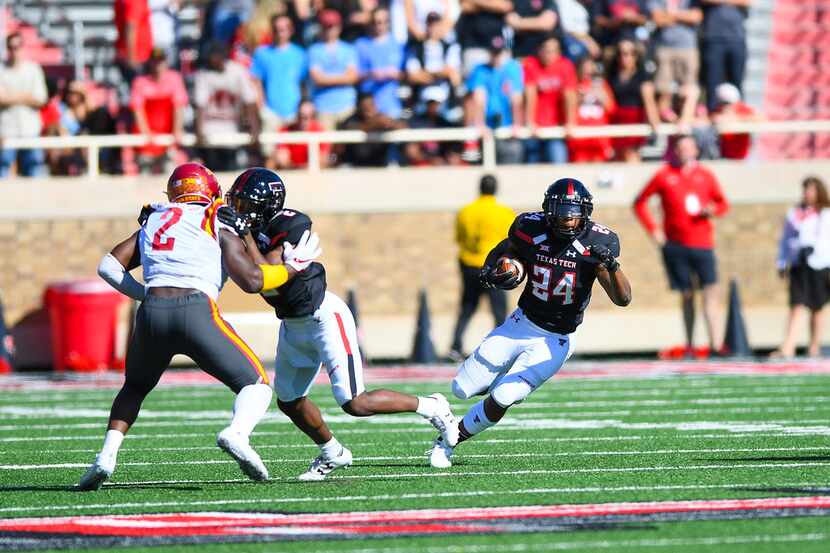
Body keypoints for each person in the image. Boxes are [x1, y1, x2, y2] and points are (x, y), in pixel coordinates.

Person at [77, 162, 323, 491]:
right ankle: (237, 432)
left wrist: (146, 293)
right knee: (258, 384)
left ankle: (105, 457)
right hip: (196, 311)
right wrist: (292, 269)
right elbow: (252, 281)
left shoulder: (156, 216)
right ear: (209, 191)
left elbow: (108, 266)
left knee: (134, 388)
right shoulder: (215, 216)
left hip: (150, 315)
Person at [221, 167, 459, 480]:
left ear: (264, 205)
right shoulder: (248, 229)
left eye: (244, 203)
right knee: (290, 401)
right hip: (292, 324)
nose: (238, 210)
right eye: (235, 202)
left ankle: (432, 406)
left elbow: (267, 276)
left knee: (355, 403)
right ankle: (332, 452)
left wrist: (246, 234)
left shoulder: (292, 223)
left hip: (324, 317)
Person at [429, 177, 632, 467]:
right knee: (461, 389)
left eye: (572, 216)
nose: (566, 222)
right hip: (521, 323)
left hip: (556, 338)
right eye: (560, 215)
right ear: (548, 212)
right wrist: (493, 268)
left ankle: (451, 439)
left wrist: (612, 265)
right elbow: (507, 247)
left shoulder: (599, 243)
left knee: (505, 395)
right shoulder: (529, 227)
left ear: (584, 214)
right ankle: (497, 380)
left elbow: (623, 299)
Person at [633, 135, 729, 357]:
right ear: (674, 151)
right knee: (686, 294)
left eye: (688, 147)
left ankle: (716, 344)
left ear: (696, 150)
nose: (684, 151)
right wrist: (654, 231)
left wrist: (713, 210)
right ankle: (690, 344)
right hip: (676, 245)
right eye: (680, 148)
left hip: (703, 242)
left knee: (710, 291)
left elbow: (723, 203)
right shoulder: (664, 175)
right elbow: (639, 203)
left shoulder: (706, 175)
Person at [449, 174, 515, 360]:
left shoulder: (465, 211)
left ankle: (455, 345)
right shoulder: (504, 212)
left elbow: (459, 239)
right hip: (494, 266)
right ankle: (502, 347)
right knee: (499, 310)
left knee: (467, 307)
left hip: (469, 263)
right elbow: (509, 242)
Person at [772, 176, 830, 358]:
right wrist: (782, 262)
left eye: (811, 189)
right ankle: (788, 346)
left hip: (819, 264)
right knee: (796, 305)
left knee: (817, 308)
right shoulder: (795, 213)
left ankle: (814, 347)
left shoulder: (825, 213)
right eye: (805, 189)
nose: (807, 193)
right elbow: (785, 240)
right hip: (799, 263)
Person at [194, 41, 259, 172]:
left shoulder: (237, 71)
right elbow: (199, 105)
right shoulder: (204, 75)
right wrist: (199, 131)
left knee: (232, 170)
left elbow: (250, 100)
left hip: (232, 129)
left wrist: (254, 127)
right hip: (210, 130)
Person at [465, 36, 525, 164]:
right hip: (486, 128)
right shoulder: (480, 70)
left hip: (507, 128)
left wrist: (516, 124)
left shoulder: (513, 68)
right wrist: (480, 124)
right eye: (494, 52)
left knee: (511, 161)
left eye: (499, 52)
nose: (496, 56)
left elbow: (516, 99)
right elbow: (477, 99)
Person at [130, 48, 189, 174]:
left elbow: (179, 106)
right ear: (150, 63)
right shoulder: (140, 82)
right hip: (146, 142)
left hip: (167, 140)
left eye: (161, 61)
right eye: (155, 61)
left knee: (170, 174)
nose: (158, 65)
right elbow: (137, 109)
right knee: (143, 177)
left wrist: (177, 130)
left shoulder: (175, 79)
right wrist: (146, 133)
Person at [523, 35, 577, 164]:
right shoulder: (531, 64)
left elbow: (569, 95)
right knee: (531, 167)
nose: (550, 55)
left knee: (558, 164)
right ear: (539, 51)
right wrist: (530, 121)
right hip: (535, 129)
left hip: (556, 129)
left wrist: (570, 122)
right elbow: (530, 94)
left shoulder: (565, 65)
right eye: (546, 50)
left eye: (553, 51)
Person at [0, 32, 48, 178]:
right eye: (11, 47)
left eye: (17, 46)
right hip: (6, 130)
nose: (14, 50)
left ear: (22, 47)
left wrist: (11, 96)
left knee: (34, 171)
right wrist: (26, 96)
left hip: (30, 130)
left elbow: (41, 99)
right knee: (3, 171)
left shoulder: (33, 69)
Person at [649, 0, 702, 125]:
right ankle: (666, 117)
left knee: (688, 88)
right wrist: (683, 16)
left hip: (687, 47)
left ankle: (685, 118)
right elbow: (657, 19)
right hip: (664, 47)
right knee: (663, 89)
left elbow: (696, 17)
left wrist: (671, 14)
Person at [250, 15, 308, 129]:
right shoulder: (262, 53)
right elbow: (256, 82)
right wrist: (262, 109)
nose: (279, 33)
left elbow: (303, 84)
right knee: (269, 146)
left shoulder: (300, 54)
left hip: (294, 112)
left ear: (291, 30)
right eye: (276, 29)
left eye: (283, 29)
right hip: (271, 113)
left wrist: (302, 109)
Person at [607, 38, 659, 162]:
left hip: (634, 118)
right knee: (618, 156)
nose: (625, 57)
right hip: (617, 119)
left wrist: (655, 126)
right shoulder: (612, 76)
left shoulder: (642, 77)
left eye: (630, 53)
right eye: (621, 53)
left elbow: (649, 103)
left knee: (631, 154)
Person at [308, 10, 360, 129]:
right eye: (326, 26)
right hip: (323, 107)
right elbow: (318, 79)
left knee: (347, 146)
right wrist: (343, 78)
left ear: (339, 27)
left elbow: (352, 77)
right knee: (325, 146)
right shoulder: (314, 50)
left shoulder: (349, 49)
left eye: (332, 26)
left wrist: (327, 78)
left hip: (347, 106)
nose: (329, 30)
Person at [404, 11, 462, 113]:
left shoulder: (450, 46)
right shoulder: (417, 48)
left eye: (436, 24)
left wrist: (426, 74)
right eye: (430, 24)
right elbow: (413, 77)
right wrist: (438, 74)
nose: (433, 28)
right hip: (421, 96)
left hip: (445, 94)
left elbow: (451, 73)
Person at [700, 0, 751, 112]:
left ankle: (737, 115)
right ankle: (713, 114)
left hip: (737, 38)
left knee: (737, 83)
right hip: (713, 38)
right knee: (712, 83)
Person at [355, 8, 405, 119]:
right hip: (368, 107)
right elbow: (354, 75)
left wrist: (395, 74)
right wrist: (371, 74)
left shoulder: (398, 45)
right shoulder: (361, 45)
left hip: (392, 106)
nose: (380, 26)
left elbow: (405, 74)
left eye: (384, 21)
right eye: (376, 22)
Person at [567, 56, 616, 163]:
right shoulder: (573, 86)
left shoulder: (602, 85)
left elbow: (612, 110)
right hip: (579, 141)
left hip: (599, 140)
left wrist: (602, 96)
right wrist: (578, 98)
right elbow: (566, 111)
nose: (587, 74)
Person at [338, 93, 405, 166]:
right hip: (355, 165)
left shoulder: (382, 117)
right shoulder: (350, 120)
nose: (368, 108)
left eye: (371, 105)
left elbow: (402, 126)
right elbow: (358, 128)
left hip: (381, 165)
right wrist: (375, 123)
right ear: (358, 107)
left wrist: (392, 124)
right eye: (365, 106)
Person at [271, 100, 332, 169]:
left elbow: (322, 159)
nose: (305, 120)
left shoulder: (320, 132)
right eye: (302, 116)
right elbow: (282, 159)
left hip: (312, 173)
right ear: (297, 115)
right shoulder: (285, 131)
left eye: (311, 116)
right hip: (291, 172)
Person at [710, 82, 760, 160]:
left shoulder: (742, 110)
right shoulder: (718, 111)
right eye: (722, 103)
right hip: (724, 157)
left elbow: (760, 118)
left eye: (727, 103)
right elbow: (709, 119)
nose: (725, 106)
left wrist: (735, 118)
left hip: (741, 157)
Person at [114, 0, 154, 85]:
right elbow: (131, 26)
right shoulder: (135, 1)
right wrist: (131, 57)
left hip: (134, 54)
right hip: (137, 56)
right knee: (138, 90)